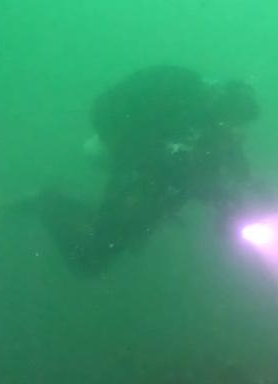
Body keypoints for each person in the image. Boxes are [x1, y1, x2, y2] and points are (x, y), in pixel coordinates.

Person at [19, 65, 260, 276]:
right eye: (231, 119)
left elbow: (209, 176)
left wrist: (227, 205)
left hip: (145, 165)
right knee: (90, 261)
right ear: (220, 105)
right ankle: (49, 202)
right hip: (134, 161)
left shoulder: (208, 126)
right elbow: (179, 170)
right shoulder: (184, 115)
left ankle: (62, 205)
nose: (233, 129)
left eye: (237, 123)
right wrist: (217, 198)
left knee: (124, 237)